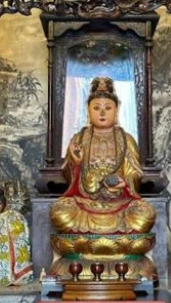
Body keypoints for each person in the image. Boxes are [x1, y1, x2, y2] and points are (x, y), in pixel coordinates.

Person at [49, 76, 155, 235]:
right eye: (96, 108)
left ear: (116, 111)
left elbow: (135, 173)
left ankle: (90, 238)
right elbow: (68, 174)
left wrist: (124, 183)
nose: (102, 112)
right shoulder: (79, 138)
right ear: (88, 111)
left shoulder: (126, 139)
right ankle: (115, 239)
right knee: (60, 212)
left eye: (108, 108)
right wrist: (75, 162)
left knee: (145, 215)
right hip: (85, 202)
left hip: (119, 203)